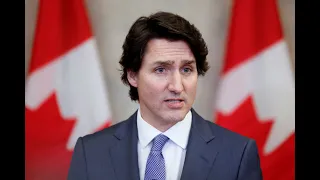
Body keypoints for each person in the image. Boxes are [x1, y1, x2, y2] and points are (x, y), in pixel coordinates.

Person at [67, 11, 262, 180]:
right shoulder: (91, 152)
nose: (177, 86)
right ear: (133, 75)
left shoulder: (238, 154)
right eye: (161, 70)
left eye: (186, 69)